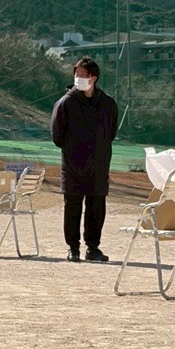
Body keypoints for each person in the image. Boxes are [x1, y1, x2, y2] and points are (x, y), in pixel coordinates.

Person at [50, 56, 118, 262]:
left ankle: (93, 248)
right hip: (73, 166)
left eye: (83, 75)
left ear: (93, 77)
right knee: (72, 208)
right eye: (76, 74)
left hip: (98, 165)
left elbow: (111, 132)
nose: (78, 78)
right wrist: (74, 149)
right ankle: (73, 248)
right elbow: (57, 135)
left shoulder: (108, 104)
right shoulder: (66, 103)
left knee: (96, 208)